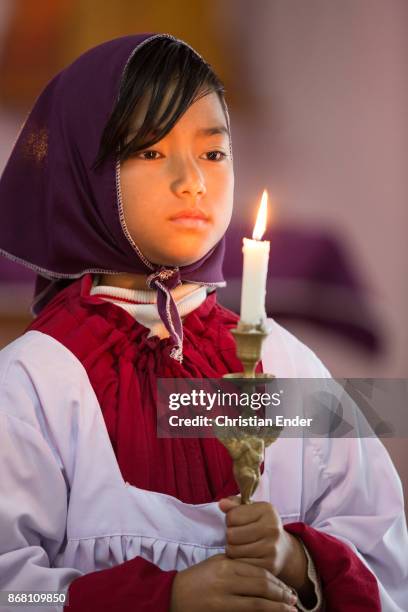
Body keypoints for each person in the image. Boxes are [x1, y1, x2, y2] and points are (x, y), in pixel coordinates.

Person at [0, 33, 406, 612]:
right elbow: (16, 595)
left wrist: (298, 561)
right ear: (80, 173)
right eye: (150, 151)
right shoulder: (33, 383)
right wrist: (166, 598)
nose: (192, 179)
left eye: (213, 153)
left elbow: (387, 561)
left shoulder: (288, 370)